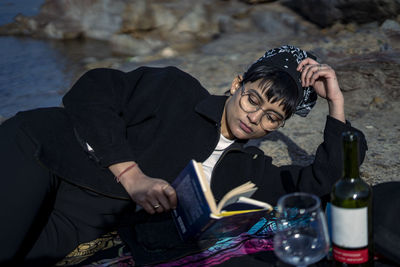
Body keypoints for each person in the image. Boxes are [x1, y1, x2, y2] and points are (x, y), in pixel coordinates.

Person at [0, 45, 367, 266]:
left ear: (279, 126)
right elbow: (92, 90)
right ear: (237, 84)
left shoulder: (246, 171)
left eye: (272, 117)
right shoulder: (177, 92)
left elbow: (327, 180)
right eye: (253, 99)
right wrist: (131, 174)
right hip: (41, 153)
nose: (254, 117)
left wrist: (336, 102)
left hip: (84, 222)